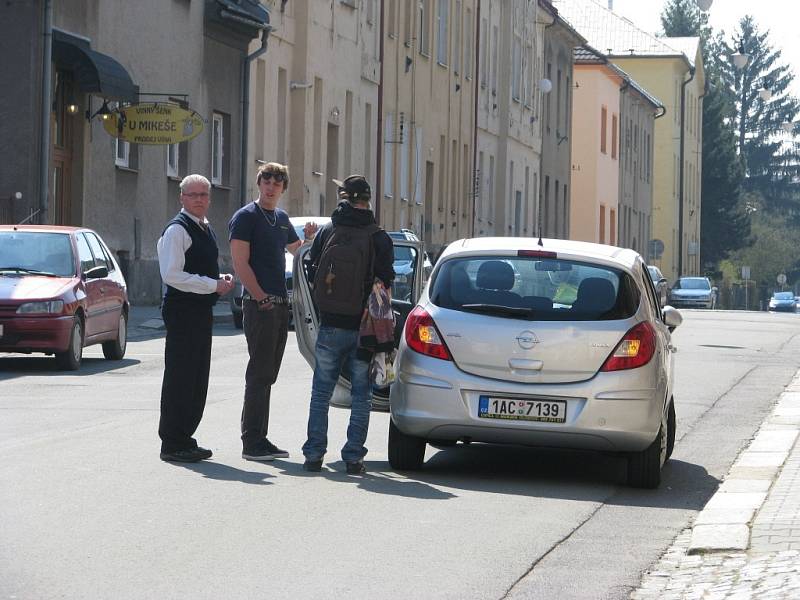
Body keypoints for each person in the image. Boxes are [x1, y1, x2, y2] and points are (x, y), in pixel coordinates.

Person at [301, 175, 394, 475]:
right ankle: (353, 457)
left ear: (344, 198)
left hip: (329, 325)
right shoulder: (379, 237)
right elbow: (387, 285)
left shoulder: (329, 230)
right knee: (361, 395)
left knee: (321, 392)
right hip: (364, 330)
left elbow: (312, 268)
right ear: (367, 200)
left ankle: (314, 454)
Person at [229, 162, 316, 462]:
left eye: (277, 183)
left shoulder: (280, 219)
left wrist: (310, 239)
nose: (271, 186)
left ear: (283, 189)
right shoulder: (245, 217)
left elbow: (298, 251)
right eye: (266, 181)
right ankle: (250, 441)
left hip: (280, 305)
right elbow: (240, 263)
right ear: (259, 184)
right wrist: (260, 296)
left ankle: (261, 438)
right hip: (259, 305)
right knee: (258, 373)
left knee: (268, 374)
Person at [157, 174, 234, 462]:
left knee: (197, 377)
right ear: (182, 198)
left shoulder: (204, 227)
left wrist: (219, 280)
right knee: (180, 376)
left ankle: (185, 437)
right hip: (182, 312)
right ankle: (172, 442)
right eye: (193, 195)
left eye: (204, 194)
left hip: (201, 310)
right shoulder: (177, 230)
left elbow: (200, 268)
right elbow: (172, 275)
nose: (199, 199)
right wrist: (213, 285)